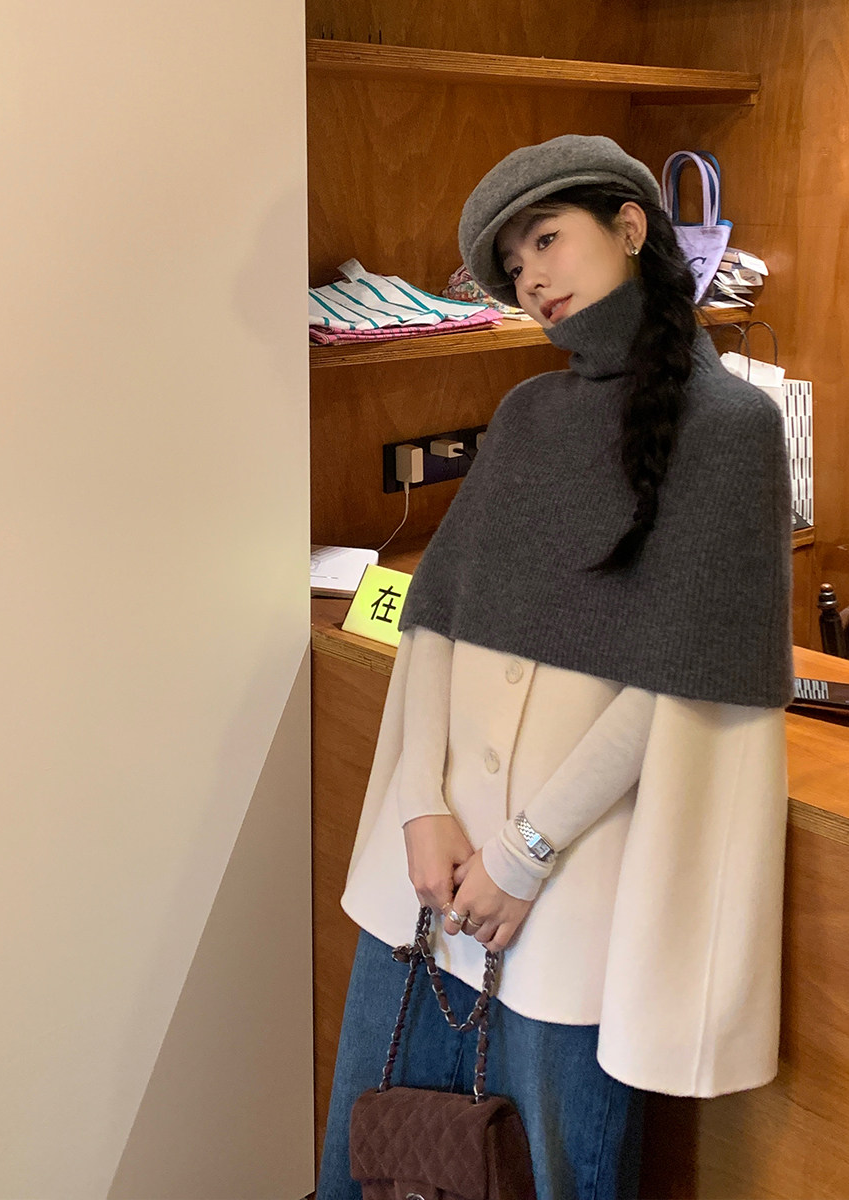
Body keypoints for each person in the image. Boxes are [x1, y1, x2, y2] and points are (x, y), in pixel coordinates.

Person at [317, 134, 794, 1200]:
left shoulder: (732, 428)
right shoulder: (528, 412)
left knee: (552, 1172)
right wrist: (419, 804)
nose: (531, 277)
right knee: (375, 1162)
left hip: (567, 890)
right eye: (512, 264)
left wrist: (525, 854)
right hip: (429, 874)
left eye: (546, 240)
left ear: (629, 226)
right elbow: (438, 619)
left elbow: (686, 683)